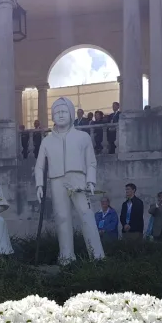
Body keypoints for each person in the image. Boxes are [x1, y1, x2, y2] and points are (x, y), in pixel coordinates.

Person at [35, 97, 105, 264]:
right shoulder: (47, 141)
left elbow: (91, 162)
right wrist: (39, 184)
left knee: (86, 215)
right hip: (56, 180)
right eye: (57, 112)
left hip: (78, 178)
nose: (60, 115)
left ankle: (97, 256)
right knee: (62, 218)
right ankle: (66, 257)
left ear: (72, 114)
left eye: (64, 112)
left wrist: (91, 181)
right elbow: (39, 166)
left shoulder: (83, 137)